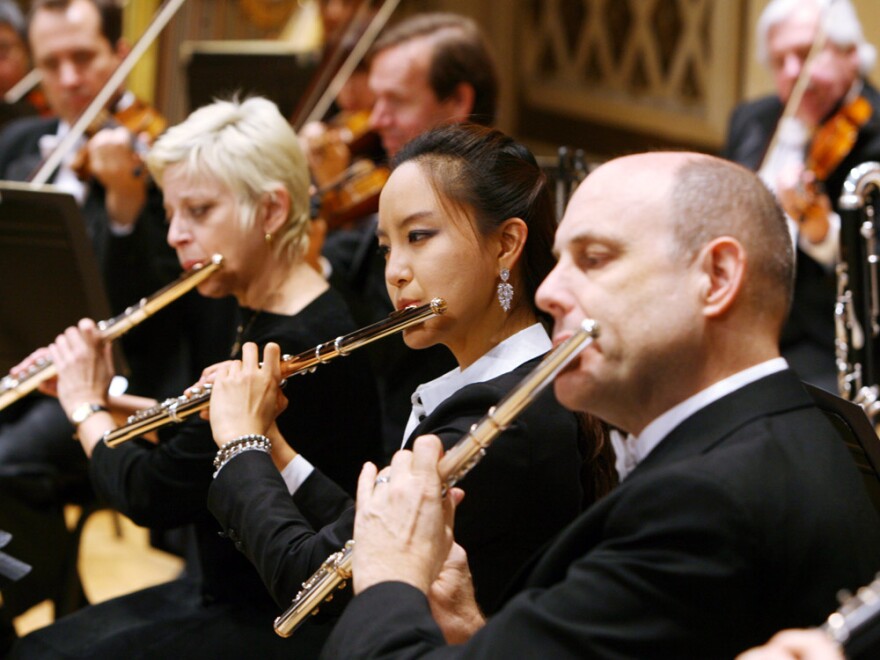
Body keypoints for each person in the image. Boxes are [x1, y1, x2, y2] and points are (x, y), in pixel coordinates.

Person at [320, 152, 880, 658]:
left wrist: (389, 574)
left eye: (594, 259)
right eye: (560, 259)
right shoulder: (787, 428)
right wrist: (474, 630)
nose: (547, 292)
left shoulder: (703, 505)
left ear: (716, 277)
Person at [6, 96, 383, 658]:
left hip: (277, 622)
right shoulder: (259, 306)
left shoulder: (300, 341)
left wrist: (85, 406)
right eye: (173, 212)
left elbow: (148, 493)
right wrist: (106, 399)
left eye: (199, 211)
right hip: (228, 593)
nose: (175, 234)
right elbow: (201, 431)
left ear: (273, 210)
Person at [205, 125, 615, 637]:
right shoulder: (497, 387)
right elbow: (368, 535)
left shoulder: (498, 420)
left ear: (506, 243)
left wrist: (238, 441)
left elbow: (309, 580)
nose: (395, 271)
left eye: (418, 237)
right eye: (385, 248)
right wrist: (271, 444)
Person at [0, 0, 234, 636]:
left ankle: (24, 587)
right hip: (23, 361)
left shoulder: (171, 161)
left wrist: (129, 209)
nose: (71, 78)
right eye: (53, 63)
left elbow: (161, 321)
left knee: (3, 459)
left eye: (85, 57)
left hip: (116, 384)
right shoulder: (18, 145)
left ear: (122, 55)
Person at [321, 13, 500, 457]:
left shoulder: (483, 210)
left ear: (457, 100)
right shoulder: (396, 190)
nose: (375, 119)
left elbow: (395, 350)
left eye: (395, 101)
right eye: (375, 100)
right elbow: (352, 262)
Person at [722, 0, 880, 393]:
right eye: (779, 61)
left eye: (806, 53)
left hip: (821, 340)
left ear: (851, 54)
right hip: (734, 320)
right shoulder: (753, 119)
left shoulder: (874, 133)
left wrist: (824, 234)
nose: (793, 72)